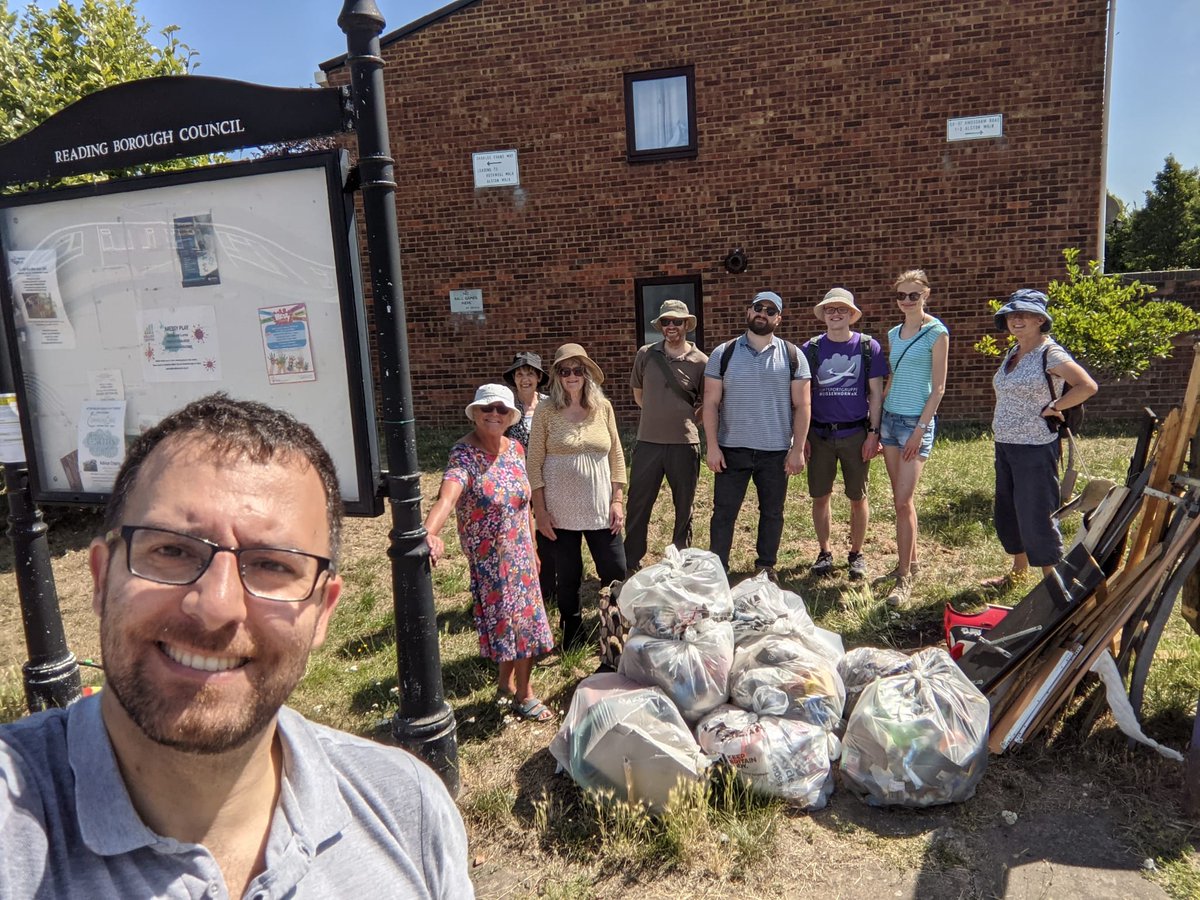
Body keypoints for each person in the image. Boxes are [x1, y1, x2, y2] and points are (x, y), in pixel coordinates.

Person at [0, 394, 473, 899]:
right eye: (171, 550)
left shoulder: (409, 811)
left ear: (322, 611)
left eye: (272, 564)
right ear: (100, 578)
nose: (216, 606)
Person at [423, 383, 556, 721]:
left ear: (511, 416)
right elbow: (447, 498)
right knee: (515, 626)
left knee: (520, 623)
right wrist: (429, 533)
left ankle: (507, 685)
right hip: (491, 560)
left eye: (502, 409)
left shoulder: (516, 450)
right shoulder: (464, 455)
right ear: (475, 413)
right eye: (487, 408)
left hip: (522, 554)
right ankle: (525, 695)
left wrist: (533, 547)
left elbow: (523, 504)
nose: (494, 414)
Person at [986, 289, 1097, 587]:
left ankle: (1054, 584)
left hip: (1034, 446)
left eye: (1025, 314)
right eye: (1012, 314)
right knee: (1009, 510)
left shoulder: (1051, 353)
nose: (1016, 320)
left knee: (1036, 511)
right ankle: (1018, 572)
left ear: (1040, 320)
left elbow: (1087, 386)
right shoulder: (1014, 352)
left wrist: (1056, 405)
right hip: (1006, 444)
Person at [703, 290, 811, 579]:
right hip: (731, 449)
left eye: (770, 310)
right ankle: (718, 569)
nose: (763, 313)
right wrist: (712, 446)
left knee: (772, 512)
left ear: (778, 319)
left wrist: (797, 449)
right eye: (758, 307)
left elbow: (803, 406)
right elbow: (710, 403)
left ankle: (765, 566)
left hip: (775, 451)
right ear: (748, 312)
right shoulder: (723, 353)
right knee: (723, 513)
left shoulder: (793, 356)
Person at [527, 344, 627, 651]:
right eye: (564, 370)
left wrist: (618, 500)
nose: (571, 376)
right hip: (559, 509)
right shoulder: (546, 410)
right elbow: (533, 462)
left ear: (587, 374)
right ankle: (571, 628)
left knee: (615, 569)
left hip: (600, 506)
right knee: (567, 575)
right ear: (557, 375)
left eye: (578, 370)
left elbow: (617, 455)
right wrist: (540, 510)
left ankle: (613, 627)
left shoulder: (603, 407)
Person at [803, 288, 888, 581]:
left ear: (851, 315)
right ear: (824, 315)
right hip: (819, 434)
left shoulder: (868, 347)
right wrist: (802, 437)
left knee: (857, 497)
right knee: (820, 496)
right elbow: (802, 397)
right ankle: (824, 553)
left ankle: (856, 554)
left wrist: (873, 433)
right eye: (830, 309)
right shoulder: (811, 349)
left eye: (841, 310)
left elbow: (875, 394)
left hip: (856, 433)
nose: (835, 314)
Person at [878, 269, 949, 607]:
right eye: (901, 296)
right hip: (890, 420)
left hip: (914, 424)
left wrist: (920, 429)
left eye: (913, 295)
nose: (907, 301)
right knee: (900, 499)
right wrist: (877, 418)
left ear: (926, 295)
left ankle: (903, 577)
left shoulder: (937, 332)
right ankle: (913, 562)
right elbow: (894, 376)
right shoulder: (894, 332)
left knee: (903, 501)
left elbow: (939, 388)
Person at [625, 299, 709, 573]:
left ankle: (680, 560)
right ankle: (631, 560)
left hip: (684, 444)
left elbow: (708, 403)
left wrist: (688, 420)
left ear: (687, 324)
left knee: (684, 507)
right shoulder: (646, 354)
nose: (671, 326)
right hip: (648, 442)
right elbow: (639, 395)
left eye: (676, 321)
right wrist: (656, 414)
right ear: (660, 326)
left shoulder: (701, 361)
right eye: (666, 321)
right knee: (638, 504)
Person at [502, 351, 556, 606]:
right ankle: (521, 583)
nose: (525, 379)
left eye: (530, 374)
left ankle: (548, 585)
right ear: (514, 378)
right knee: (520, 533)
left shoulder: (550, 404)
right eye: (520, 374)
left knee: (548, 530)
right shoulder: (506, 407)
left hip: (549, 478)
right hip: (518, 480)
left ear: (538, 378)